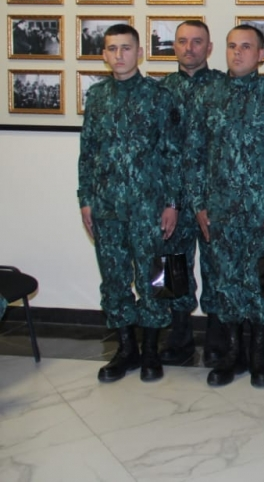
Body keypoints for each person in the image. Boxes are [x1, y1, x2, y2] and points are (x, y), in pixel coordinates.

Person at [185, 24, 264, 388]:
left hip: (263, 212)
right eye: (232, 46)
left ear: (261, 55)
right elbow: (194, 154)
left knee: (261, 283)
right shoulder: (209, 94)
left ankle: (258, 355)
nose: (238, 53)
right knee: (226, 283)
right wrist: (199, 204)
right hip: (220, 211)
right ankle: (233, 354)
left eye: (247, 47)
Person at [78, 23, 182, 383]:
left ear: (139, 52)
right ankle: (126, 349)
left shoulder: (158, 96)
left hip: (148, 208)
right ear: (103, 55)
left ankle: (151, 349)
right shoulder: (97, 97)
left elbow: (172, 154)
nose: (119, 55)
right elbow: (87, 153)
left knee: (154, 280)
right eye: (112, 48)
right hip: (107, 208)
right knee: (114, 281)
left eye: (125, 48)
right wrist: (85, 199)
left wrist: (172, 203)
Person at [157, 20, 226, 367]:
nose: (189, 48)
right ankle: (179, 335)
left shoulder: (224, 87)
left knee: (217, 266)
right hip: (172, 198)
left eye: (197, 42)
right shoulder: (160, 91)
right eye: (183, 41)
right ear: (174, 46)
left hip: (213, 197)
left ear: (209, 48)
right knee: (173, 267)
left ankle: (217, 337)